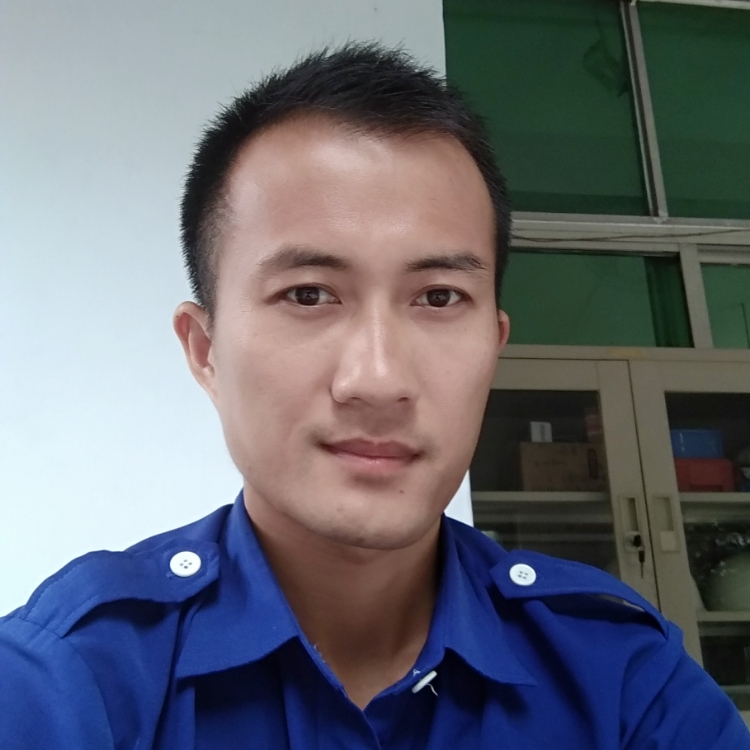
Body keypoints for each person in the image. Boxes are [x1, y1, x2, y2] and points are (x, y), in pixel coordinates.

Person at [1, 43, 747, 750]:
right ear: (205, 351)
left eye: (439, 297)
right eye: (308, 294)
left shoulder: (620, 682)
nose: (379, 380)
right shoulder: (72, 680)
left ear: (494, 344)